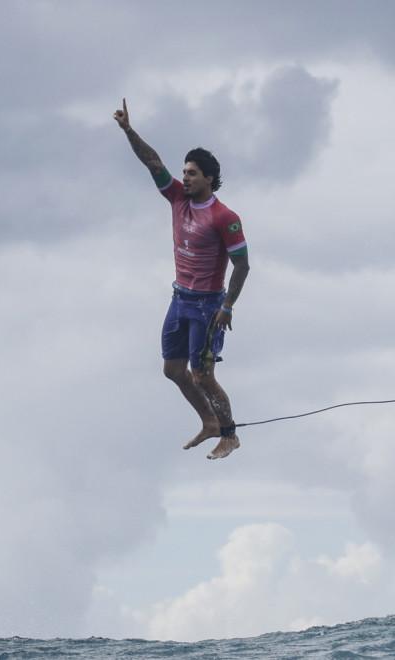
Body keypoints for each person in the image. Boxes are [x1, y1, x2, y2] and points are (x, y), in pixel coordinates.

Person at [113, 98, 250, 460]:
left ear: (208, 178)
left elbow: (243, 265)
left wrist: (228, 306)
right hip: (179, 299)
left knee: (203, 375)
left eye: (191, 173)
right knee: (173, 369)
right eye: (184, 172)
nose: (184, 177)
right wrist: (128, 130)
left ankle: (230, 434)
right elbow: (153, 162)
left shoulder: (224, 217)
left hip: (208, 306)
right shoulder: (177, 198)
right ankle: (209, 422)